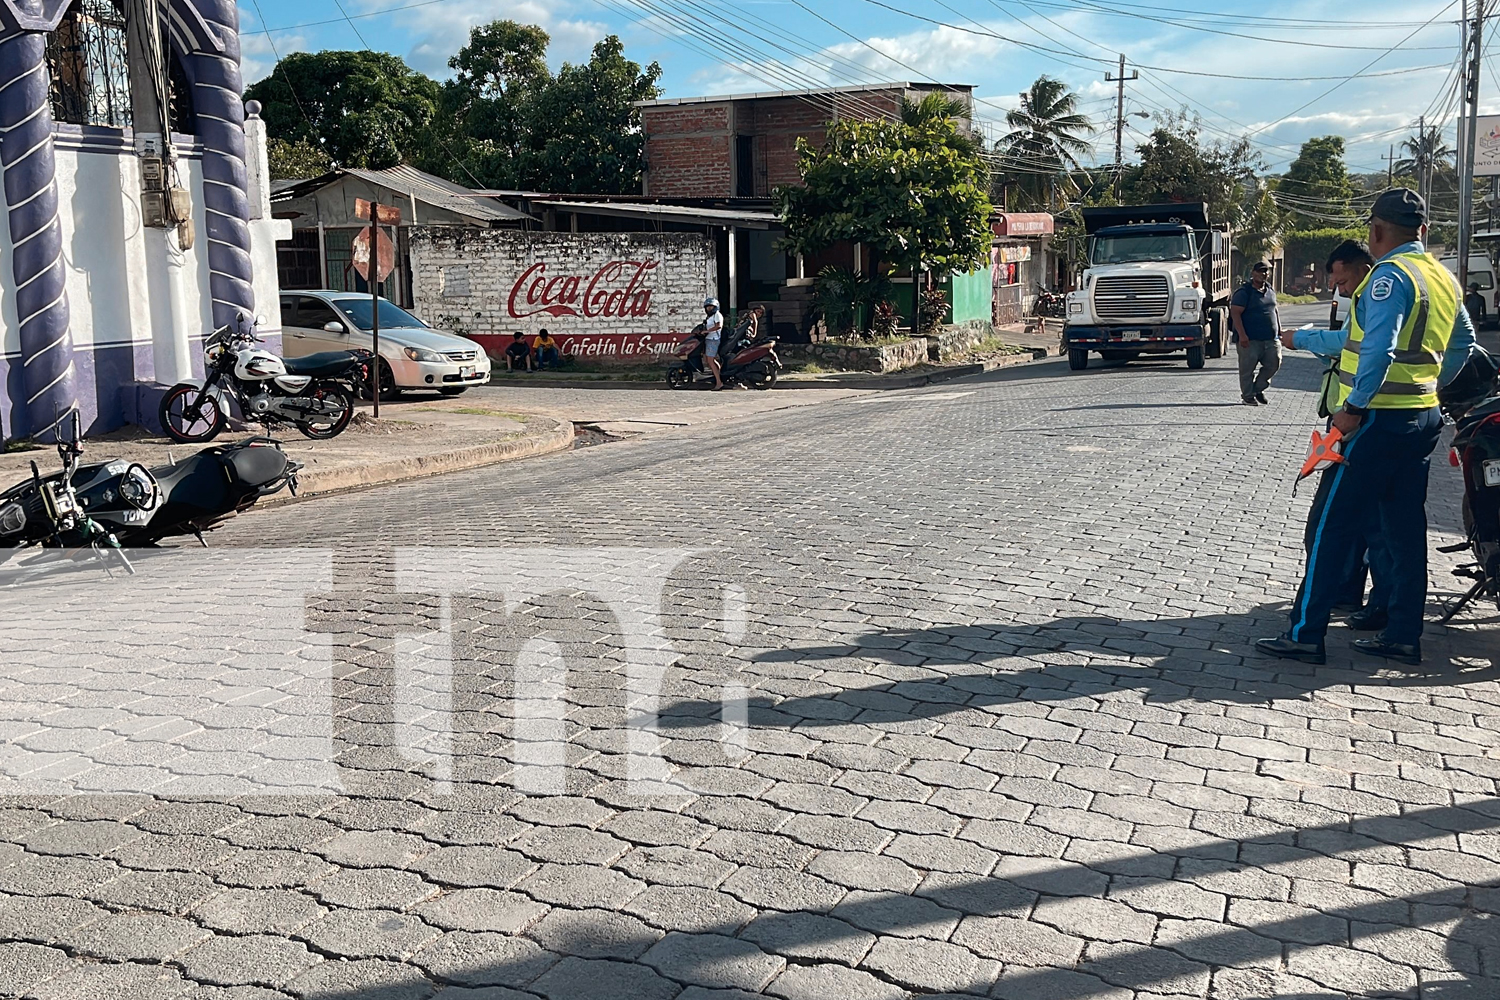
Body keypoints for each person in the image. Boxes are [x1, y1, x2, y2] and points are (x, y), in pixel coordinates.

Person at [1257, 188, 1476, 666]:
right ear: (1422, 230)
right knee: (1404, 529)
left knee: (1333, 526)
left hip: (1374, 420)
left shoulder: (1388, 277)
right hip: (1422, 418)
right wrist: (1431, 386)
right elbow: (1465, 343)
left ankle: (1305, 634)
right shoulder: (1443, 278)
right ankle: (1402, 635)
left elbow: (1379, 349)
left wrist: (1353, 407)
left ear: (1376, 231)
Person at [1280, 239, 1387, 627]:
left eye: (1342, 282)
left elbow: (1363, 349)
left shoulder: (1377, 292)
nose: (1340, 290)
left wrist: (1303, 339)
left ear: (1361, 266)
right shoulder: (1376, 293)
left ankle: (1308, 627)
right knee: (1379, 522)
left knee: (1329, 522)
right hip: (1369, 418)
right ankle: (1367, 600)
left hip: (1359, 421)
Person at [1231, 261, 1282, 406]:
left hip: (1270, 338)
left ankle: (1258, 389)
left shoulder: (1270, 290)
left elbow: (1274, 310)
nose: (1263, 274)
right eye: (1260, 271)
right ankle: (1247, 396)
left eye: (1265, 272)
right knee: (1247, 369)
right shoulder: (1244, 292)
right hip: (1250, 339)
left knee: (1274, 363)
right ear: (1253, 273)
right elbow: (1235, 313)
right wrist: (1242, 335)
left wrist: (1279, 328)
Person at [702, 297, 725, 390]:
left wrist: (707, 331)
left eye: (711, 307)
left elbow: (718, 326)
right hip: (709, 339)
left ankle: (719, 383)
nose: (709, 309)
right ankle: (720, 376)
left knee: (710, 361)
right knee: (710, 360)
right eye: (707, 307)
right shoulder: (710, 317)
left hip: (713, 339)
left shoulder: (717, 315)